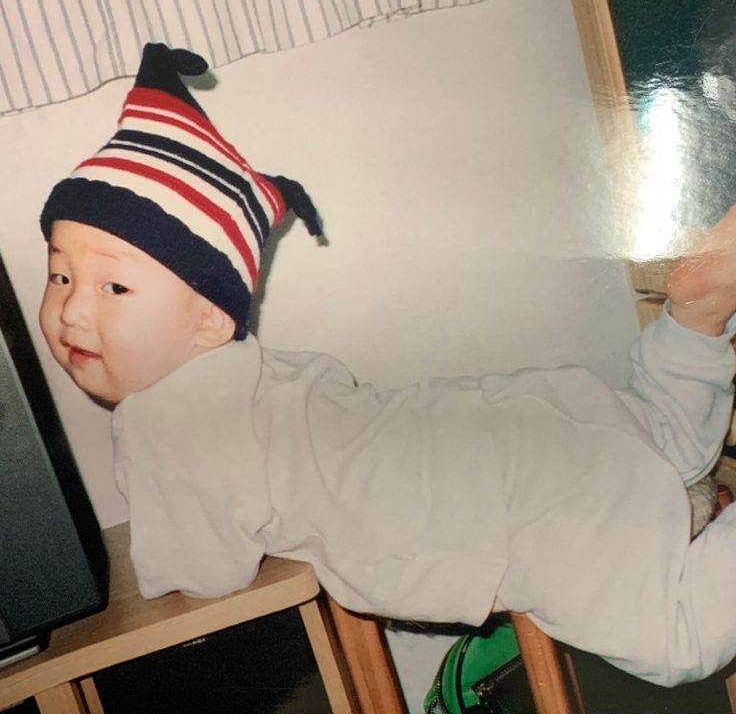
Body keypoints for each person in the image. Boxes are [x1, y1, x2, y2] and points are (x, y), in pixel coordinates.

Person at [38, 43, 736, 687]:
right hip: (522, 418)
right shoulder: (265, 376)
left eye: (114, 287)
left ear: (209, 320)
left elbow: (203, 572)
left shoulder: (162, 426)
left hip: (505, 521)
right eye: (60, 276)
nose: (71, 311)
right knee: (663, 437)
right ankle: (694, 323)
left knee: (676, 638)